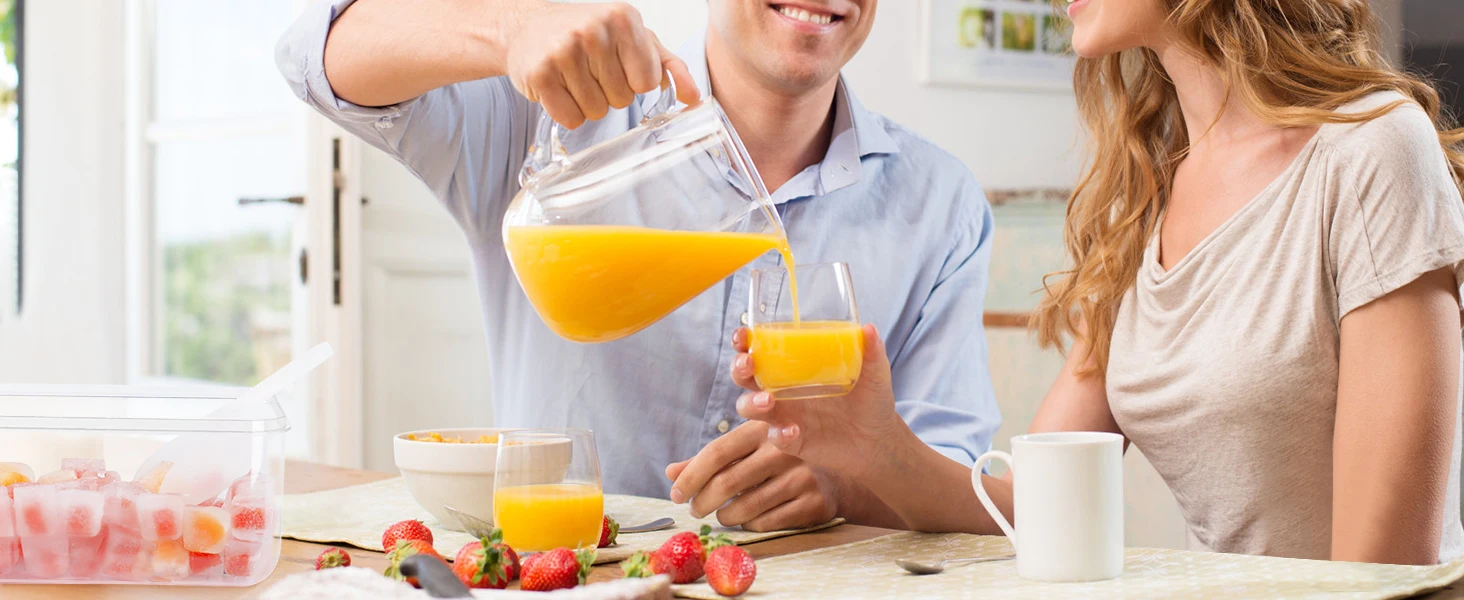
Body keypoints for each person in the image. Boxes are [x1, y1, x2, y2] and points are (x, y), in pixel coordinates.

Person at [733, 0, 1464, 564]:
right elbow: (1035, 506)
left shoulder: (1371, 152)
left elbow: (1381, 577)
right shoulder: (1146, 198)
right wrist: (874, 445)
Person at [276, 0, 1002, 531]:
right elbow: (313, 57)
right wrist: (512, 28)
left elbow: (963, 483)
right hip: (567, 572)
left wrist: (848, 487)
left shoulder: (939, 202)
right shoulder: (556, 108)